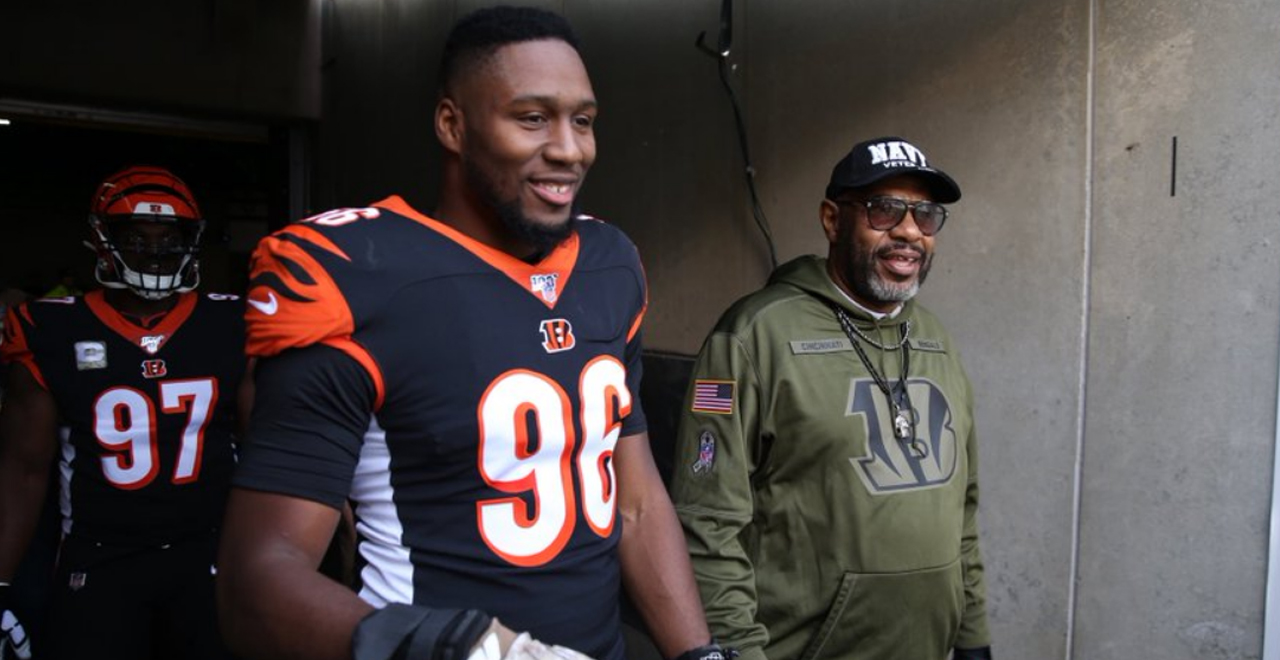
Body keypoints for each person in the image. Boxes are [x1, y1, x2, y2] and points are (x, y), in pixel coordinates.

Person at [217, 7, 722, 660]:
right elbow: (257, 579)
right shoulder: (357, 275)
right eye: (532, 117)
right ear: (453, 124)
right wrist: (467, 648)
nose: (570, 148)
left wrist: (696, 653)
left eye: (584, 120)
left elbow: (637, 499)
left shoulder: (610, 262)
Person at [669, 137, 994, 660]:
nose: (909, 231)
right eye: (885, 210)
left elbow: (963, 508)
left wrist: (972, 633)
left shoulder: (934, 337)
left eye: (926, 216)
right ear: (832, 219)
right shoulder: (756, 334)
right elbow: (707, 524)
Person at [0, 165, 247, 660]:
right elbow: (24, 469)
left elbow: (268, 452)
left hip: (207, 552)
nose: (154, 251)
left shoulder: (233, 322)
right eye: (135, 237)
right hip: (98, 557)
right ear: (102, 239)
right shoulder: (50, 327)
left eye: (168, 238)